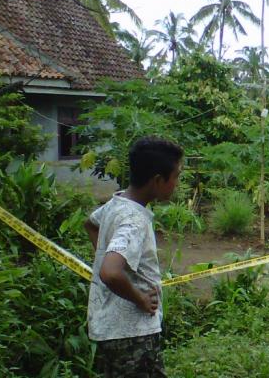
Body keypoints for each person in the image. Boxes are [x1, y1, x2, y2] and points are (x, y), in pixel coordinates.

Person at [83, 137, 183, 377]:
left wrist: (106, 254)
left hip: (110, 330)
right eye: (176, 176)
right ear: (158, 180)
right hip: (132, 335)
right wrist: (139, 298)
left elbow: (90, 223)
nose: (177, 183)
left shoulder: (118, 203)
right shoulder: (134, 220)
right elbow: (110, 272)